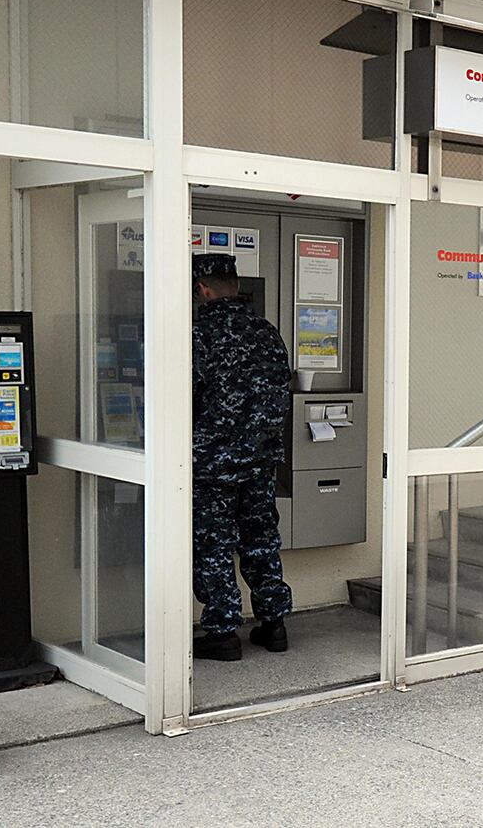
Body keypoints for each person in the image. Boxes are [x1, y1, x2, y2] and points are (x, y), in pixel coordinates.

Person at [190, 253, 294, 661]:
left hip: (213, 462)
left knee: (214, 543)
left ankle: (223, 632)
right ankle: (274, 624)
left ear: (202, 289)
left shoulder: (200, 333)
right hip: (261, 461)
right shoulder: (267, 332)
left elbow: (183, 396)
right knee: (261, 538)